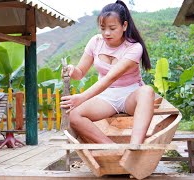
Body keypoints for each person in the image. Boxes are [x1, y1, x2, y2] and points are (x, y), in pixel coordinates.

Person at [60, 0, 154, 144]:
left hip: (130, 95)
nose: (106, 33)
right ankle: (112, 148)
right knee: (73, 115)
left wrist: (82, 97)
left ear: (124, 26)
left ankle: (135, 146)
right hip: (106, 97)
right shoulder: (95, 42)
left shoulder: (134, 47)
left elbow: (110, 77)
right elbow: (80, 73)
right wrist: (72, 70)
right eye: (103, 28)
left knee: (147, 91)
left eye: (112, 28)